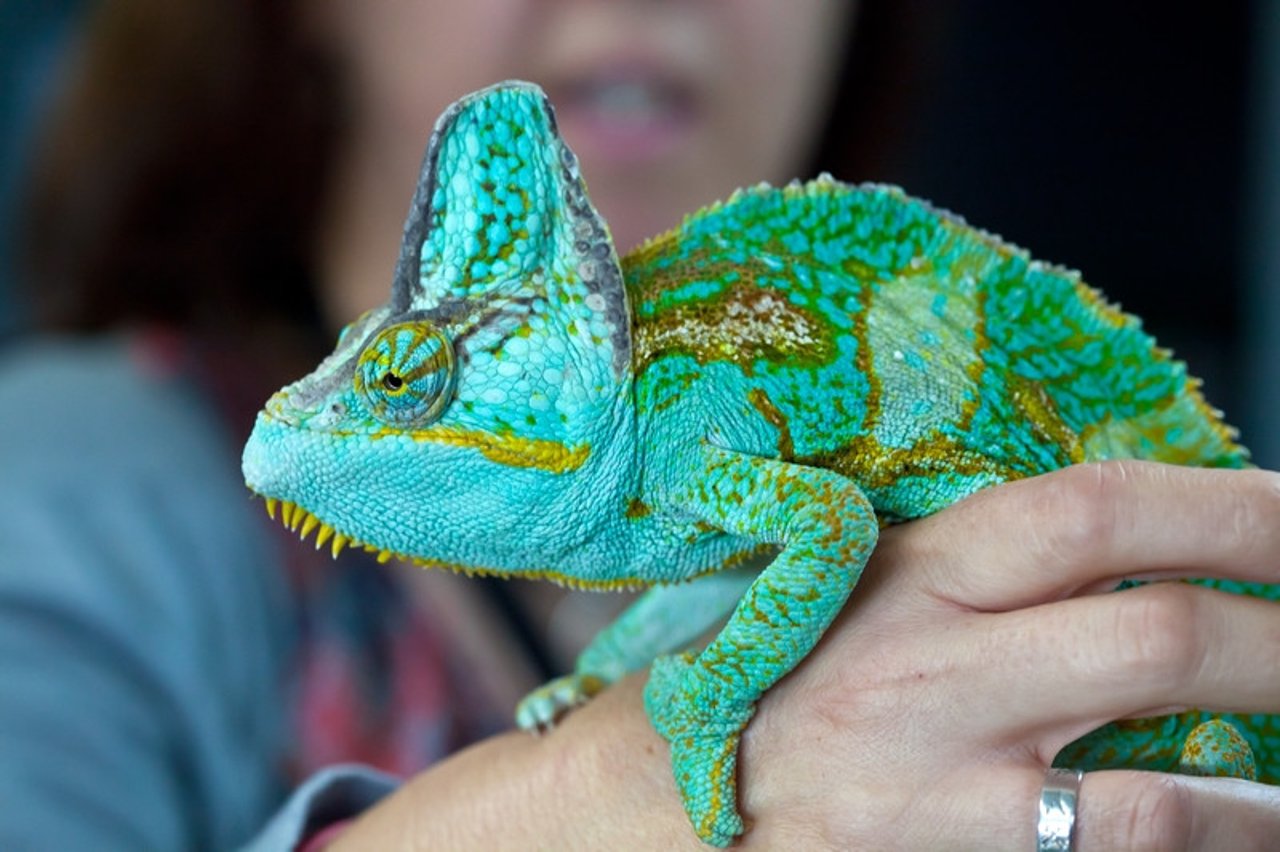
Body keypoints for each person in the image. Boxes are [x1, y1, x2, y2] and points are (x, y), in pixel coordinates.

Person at [2, 2, 1277, 850]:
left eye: (405, 385)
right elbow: (805, 526)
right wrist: (614, 784)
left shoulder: (665, 411)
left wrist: (668, 670)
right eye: (395, 380)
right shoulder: (72, 507)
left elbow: (817, 518)